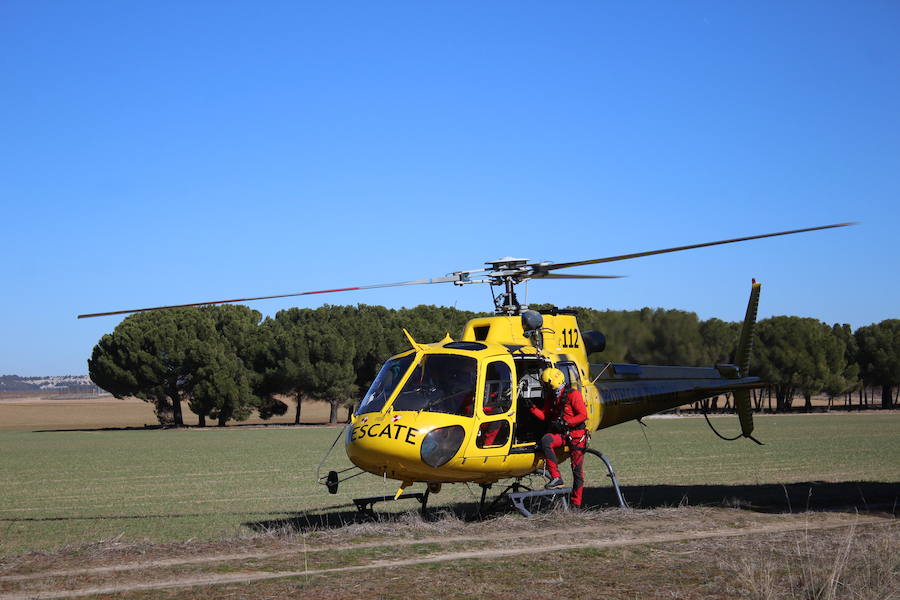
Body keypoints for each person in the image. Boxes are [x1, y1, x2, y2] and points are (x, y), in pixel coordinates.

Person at [528, 367, 589, 508]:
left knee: (577, 472)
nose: (545, 388)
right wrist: (531, 408)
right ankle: (556, 477)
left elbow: (583, 415)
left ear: (552, 383)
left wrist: (567, 422)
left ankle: (576, 505)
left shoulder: (573, 395)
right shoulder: (552, 397)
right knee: (546, 440)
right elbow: (545, 416)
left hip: (576, 436)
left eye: (546, 385)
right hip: (562, 434)